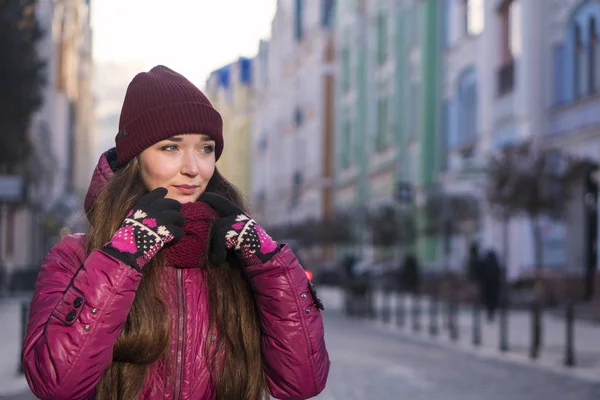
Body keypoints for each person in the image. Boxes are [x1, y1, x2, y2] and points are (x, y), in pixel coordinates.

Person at [21, 66, 330, 400]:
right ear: (135, 159)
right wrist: (124, 255)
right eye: (171, 147)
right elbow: (55, 384)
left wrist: (269, 263)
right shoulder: (77, 258)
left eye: (206, 148)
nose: (193, 168)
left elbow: (303, 382)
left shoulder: (239, 257)